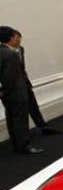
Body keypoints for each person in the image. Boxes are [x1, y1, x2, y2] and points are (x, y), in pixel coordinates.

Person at [0, 26, 44, 154]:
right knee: (20, 119)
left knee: (12, 118)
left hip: (7, 92)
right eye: (16, 36)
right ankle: (24, 145)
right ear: (11, 38)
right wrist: (7, 90)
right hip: (16, 92)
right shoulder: (11, 54)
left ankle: (17, 143)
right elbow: (11, 76)